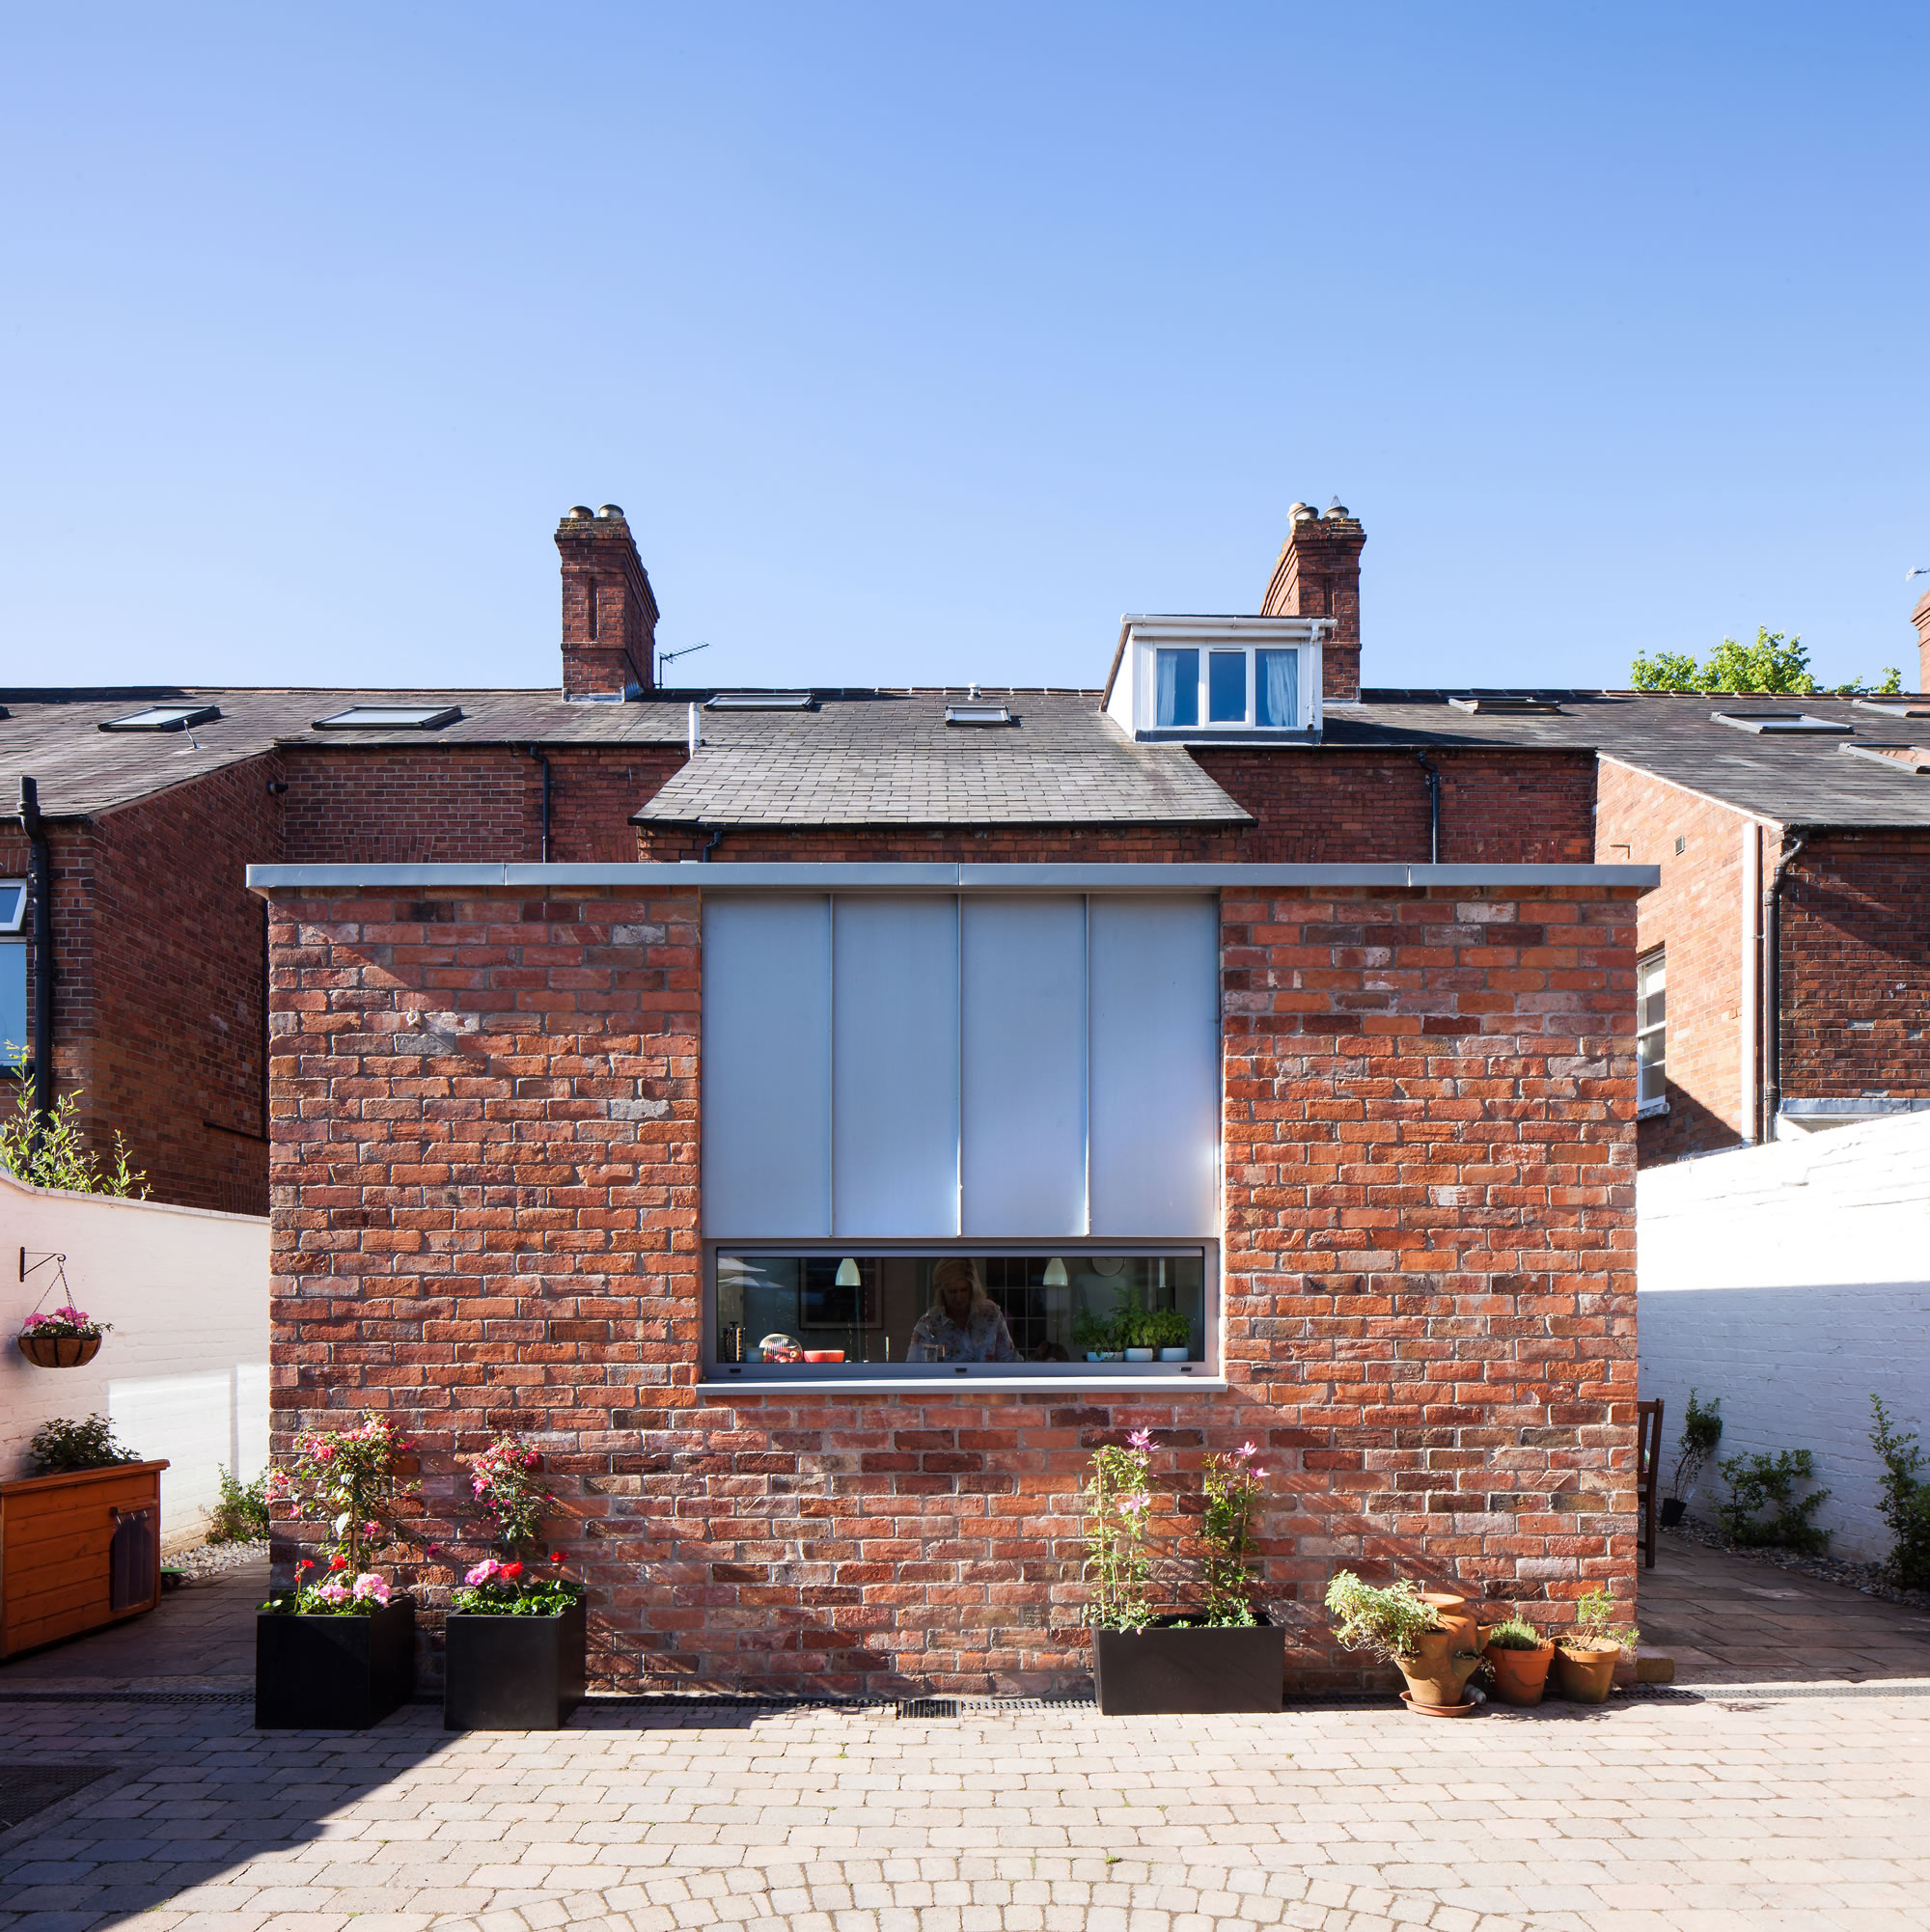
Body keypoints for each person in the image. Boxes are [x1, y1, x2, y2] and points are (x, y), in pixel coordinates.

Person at [906, 1257, 1017, 1363]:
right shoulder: (929, 1325)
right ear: (942, 1292)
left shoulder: (991, 1314)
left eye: (963, 1290)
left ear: (972, 1288)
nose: (959, 1298)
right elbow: (915, 1370)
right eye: (952, 1292)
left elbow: (1009, 1360)